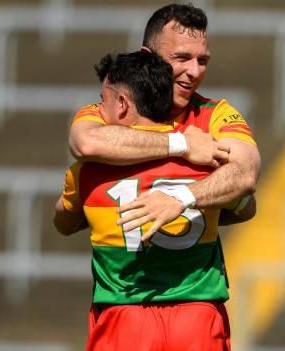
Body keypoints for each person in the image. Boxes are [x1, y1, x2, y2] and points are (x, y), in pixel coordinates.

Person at [54, 50, 254, 351]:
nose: (99, 109)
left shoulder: (86, 173)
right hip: (197, 319)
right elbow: (246, 207)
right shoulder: (207, 164)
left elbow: (64, 222)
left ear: (121, 104)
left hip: (124, 318)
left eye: (102, 100)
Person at [68, 3, 261, 241]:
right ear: (149, 57)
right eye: (182, 58)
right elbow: (86, 143)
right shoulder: (114, 106)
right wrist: (184, 145)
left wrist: (181, 199)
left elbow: (245, 175)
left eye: (202, 61)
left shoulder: (216, 114)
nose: (194, 71)